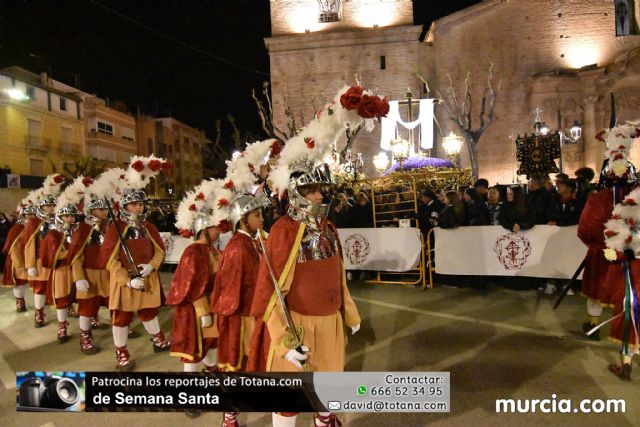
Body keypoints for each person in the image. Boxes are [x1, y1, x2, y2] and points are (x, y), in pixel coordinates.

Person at [248, 163, 361, 427]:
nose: (320, 196)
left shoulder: (329, 228)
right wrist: (284, 341)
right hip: (298, 325)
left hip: (330, 323)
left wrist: (350, 314)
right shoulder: (283, 230)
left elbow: (339, 277)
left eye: (320, 190)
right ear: (296, 192)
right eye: (312, 191)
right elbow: (270, 292)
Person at [100, 157, 171, 370]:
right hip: (126, 282)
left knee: (149, 312)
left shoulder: (149, 227)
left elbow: (160, 251)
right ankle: (121, 353)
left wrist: (152, 266)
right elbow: (109, 260)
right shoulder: (115, 228)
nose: (138, 208)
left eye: (140, 203)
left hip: (147, 277)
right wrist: (126, 281)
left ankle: (158, 339)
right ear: (124, 206)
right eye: (133, 204)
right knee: (121, 317)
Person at [168, 186, 222, 376]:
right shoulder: (193, 252)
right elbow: (192, 287)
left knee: (211, 341)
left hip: (212, 305)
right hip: (196, 310)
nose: (218, 231)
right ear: (204, 229)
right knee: (194, 349)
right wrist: (203, 311)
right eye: (214, 227)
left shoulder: (212, 249)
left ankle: (212, 369)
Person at [24, 174, 66, 327]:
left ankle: (65, 313)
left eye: (52, 206)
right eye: (47, 206)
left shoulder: (59, 220)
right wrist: (30, 265)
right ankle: (39, 314)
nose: (51, 208)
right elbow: (29, 244)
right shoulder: (33, 222)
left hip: (57, 262)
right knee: (40, 290)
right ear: (40, 207)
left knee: (60, 289)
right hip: (40, 263)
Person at [2, 203, 36, 312]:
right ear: (23, 215)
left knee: (37, 282)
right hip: (18, 261)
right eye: (28, 214)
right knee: (20, 283)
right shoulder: (17, 229)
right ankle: (20, 300)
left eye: (32, 214)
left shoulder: (36, 228)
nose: (30, 216)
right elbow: (14, 249)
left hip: (33, 260)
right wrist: (20, 265)